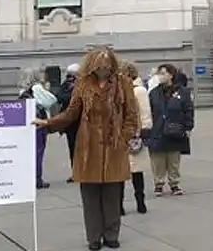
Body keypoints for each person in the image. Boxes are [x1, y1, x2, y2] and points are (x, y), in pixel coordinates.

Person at [33, 47, 139, 251]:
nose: (104, 69)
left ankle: (111, 235)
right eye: (99, 65)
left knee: (112, 196)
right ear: (92, 65)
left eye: (107, 66)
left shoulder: (122, 83)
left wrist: (124, 138)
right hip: (87, 147)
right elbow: (71, 114)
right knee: (90, 197)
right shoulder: (83, 84)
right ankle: (94, 238)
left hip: (114, 147)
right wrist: (48, 123)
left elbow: (131, 115)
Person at [148, 63, 194, 197]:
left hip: (175, 129)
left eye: (163, 73)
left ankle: (174, 184)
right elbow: (149, 111)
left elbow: (188, 110)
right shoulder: (154, 93)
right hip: (158, 129)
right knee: (158, 159)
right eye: (159, 74)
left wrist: (188, 126)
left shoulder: (182, 92)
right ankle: (159, 184)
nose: (160, 76)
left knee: (173, 159)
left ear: (171, 75)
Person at [19, 67, 57, 189]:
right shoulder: (37, 88)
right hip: (39, 124)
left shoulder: (23, 90)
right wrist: (47, 90)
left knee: (30, 153)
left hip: (28, 123)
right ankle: (37, 179)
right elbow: (51, 100)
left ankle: (29, 178)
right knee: (38, 152)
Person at [122, 62, 152, 214]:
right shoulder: (117, 89)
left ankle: (140, 201)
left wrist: (144, 130)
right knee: (119, 172)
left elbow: (145, 111)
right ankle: (119, 205)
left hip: (135, 135)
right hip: (119, 136)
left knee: (136, 171)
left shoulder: (139, 90)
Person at [56, 63, 80, 183]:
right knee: (72, 148)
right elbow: (59, 97)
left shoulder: (82, 84)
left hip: (80, 121)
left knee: (80, 149)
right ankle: (75, 172)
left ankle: (81, 172)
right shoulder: (66, 84)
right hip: (70, 122)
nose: (70, 77)